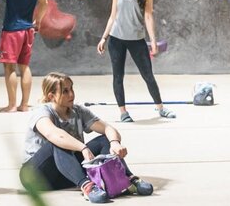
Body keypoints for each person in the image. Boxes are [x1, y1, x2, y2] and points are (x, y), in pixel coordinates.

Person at [19, 73, 152, 204]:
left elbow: (108, 128)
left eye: (71, 89)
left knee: (104, 139)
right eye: (65, 91)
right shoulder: (42, 112)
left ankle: (125, 177)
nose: (71, 94)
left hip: (65, 174)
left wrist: (115, 142)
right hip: (35, 176)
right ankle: (87, 186)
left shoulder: (78, 111)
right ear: (51, 96)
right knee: (58, 142)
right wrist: (82, 147)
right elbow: (54, 135)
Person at [96, 0, 175, 122]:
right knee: (118, 76)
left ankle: (160, 107)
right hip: (116, 40)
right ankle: (123, 112)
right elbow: (112, 17)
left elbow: (148, 16)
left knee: (148, 75)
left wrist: (153, 41)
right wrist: (104, 37)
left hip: (137, 41)